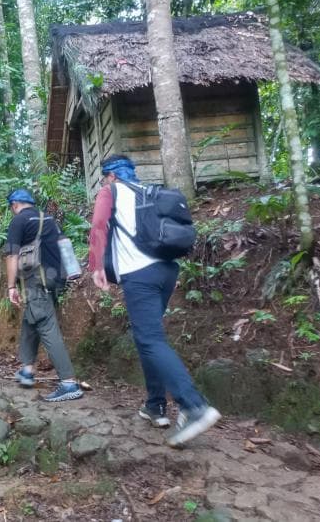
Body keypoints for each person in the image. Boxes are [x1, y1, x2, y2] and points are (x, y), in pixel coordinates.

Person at [88, 154, 220, 446]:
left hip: (140, 275)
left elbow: (99, 225)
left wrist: (96, 266)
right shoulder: (147, 192)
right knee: (148, 338)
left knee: (150, 340)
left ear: (110, 176)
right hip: (166, 271)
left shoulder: (110, 191)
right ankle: (155, 405)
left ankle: (194, 406)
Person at [4, 189, 83, 403]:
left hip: (37, 281)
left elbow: (12, 255)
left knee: (46, 325)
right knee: (33, 319)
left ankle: (69, 383)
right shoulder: (48, 219)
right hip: (57, 280)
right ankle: (27, 371)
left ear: (14, 205)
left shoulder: (19, 221)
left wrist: (11, 286)